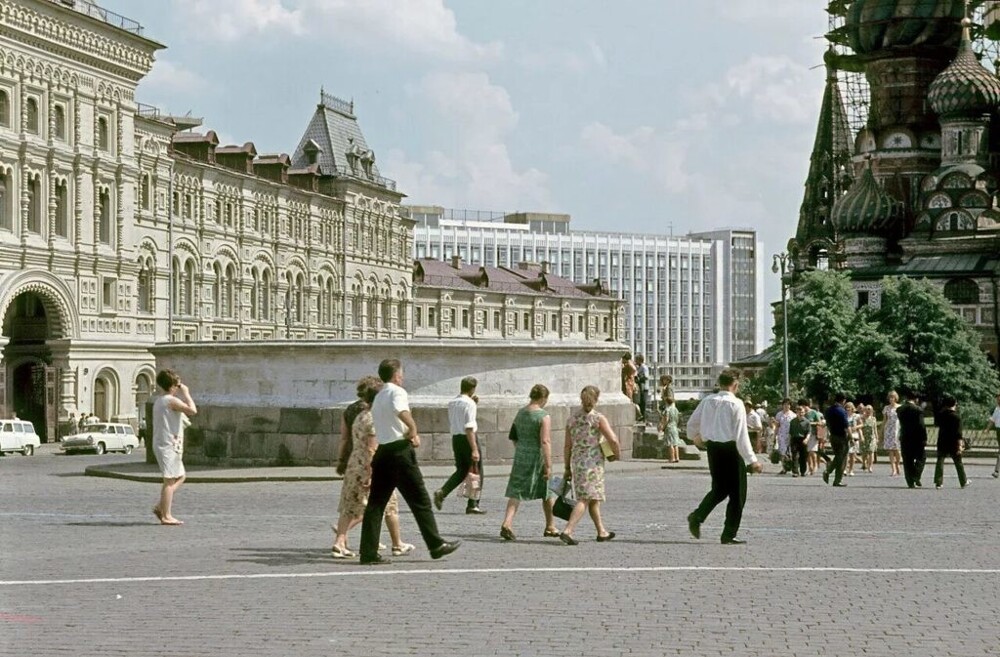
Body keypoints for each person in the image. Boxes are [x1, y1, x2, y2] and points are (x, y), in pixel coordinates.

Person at [358, 359, 460, 565]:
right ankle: (435, 545)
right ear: (396, 375)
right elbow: (401, 411)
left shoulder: (378, 397)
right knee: (420, 500)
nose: (402, 376)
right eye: (401, 373)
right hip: (400, 453)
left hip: (383, 452)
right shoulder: (397, 392)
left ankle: (368, 552)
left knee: (376, 504)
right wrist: (412, 429)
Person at [331, 376, 414, 559]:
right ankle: (397, 544)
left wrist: (341, 461)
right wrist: (371, 473)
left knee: (349, 505)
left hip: (354, 464)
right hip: (371, 467)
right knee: (389, 505)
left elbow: (346, 439)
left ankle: (340, 542)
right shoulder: (374, 418)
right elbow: (371, 448)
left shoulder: (359, 416)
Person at [686, 369, 763, 545]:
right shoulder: (736, 404)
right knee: (738, 494)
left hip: (713, 449)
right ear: (735, 384)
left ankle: (697, 516)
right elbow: (741, 436)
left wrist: (697, 438)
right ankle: (728, 533)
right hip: (731, 450)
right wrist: (753, 461)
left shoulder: (707, 401)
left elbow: (691, 425)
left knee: (720, 489)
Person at [557, 386, 621, 545]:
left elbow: (567, 446)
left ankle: (601, 531)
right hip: (593, 463)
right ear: (596, 399)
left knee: (593, 498)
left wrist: (567, 468)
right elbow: (612, 439)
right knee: (585, 498)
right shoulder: (598, 419)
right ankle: (568, 530)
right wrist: (617, 454)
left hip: (577, 461)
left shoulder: (572, 419)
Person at [500, 384, 557, 541]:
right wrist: (548, 465)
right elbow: (545, 441)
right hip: (537, 457)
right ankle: (550, 525)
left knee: (516, 490)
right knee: (547, 490)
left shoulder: (521, 413)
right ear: (543, 398)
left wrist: (521, 449)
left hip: (521, 455)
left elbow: (513, 436)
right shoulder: (543, 416)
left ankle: (507, 523)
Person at [151, 369, 197, 526]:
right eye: (177, 385)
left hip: (168, 443)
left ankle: (161, 506)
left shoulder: (161, 400)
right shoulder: (170, 400)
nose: (179, 387)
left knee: (181, 476)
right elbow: (192, 410)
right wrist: (187, 393)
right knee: (169, 481)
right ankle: (166, 515)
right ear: (172, 386)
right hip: (167, 445)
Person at [434, 376, 485, 514]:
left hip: (456, 439)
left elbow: (460, 418)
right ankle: (473, 504)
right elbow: (469, 427)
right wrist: (474, 449)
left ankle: (442, 492)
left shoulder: (453, 402)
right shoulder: (470, 403)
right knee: (477, 471)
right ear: (473, 389)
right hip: (469, 438)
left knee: (462, 470)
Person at [934, 394, 969, 489]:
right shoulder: (956, 417)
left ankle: (938, 482)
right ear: (954, 404)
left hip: (942, 440)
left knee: (940, 461)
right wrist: (960, 445)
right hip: (953, 442)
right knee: (958, 462)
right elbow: (958, 433)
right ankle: (963, 481)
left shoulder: (941, 415)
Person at [896, 390, 927, 489]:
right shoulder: (918, 410)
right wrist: (924, 438)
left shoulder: (900, 409)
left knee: (907, 459)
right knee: (921, 458)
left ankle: (909, 481)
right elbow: (921, 426)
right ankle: (916, 475)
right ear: (916, 399)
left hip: (905, 436)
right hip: (917, 438)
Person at [823, 393, 850, 487]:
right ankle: (829, 472)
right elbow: (846, 426)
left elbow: (827, 422)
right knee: (841, 458)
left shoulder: (828, 410)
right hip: (842, 436)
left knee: (839, 457)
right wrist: (851, 437)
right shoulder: (842, 411)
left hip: (833, 435)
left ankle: (837, 480)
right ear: (843, 400)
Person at [772, 399, 795, 475]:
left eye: (788, 404)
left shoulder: (793, 415)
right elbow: (777, 426)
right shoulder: (779, 414)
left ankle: (792, 466)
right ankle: (784, 467)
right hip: (781, 435)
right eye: (785, 404)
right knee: (782, 452)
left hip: (790, 434)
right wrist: (774, 436)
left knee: (790, 452)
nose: (786, 406)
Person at [882, 391, 902, 477]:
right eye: (890, 397)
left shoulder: (900, 407)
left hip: (897, 429)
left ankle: (897, 464)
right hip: (889, 430)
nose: (891, 399)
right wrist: (881, 431)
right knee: (890, 450)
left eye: (893, 397)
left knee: (897, 449)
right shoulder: (886, 408)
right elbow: (884, 420)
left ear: (896, 398)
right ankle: (893, 468)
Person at [788, 404, 810, 477]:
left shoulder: (807, 422)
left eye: (802, 412)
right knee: (795, 456)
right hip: (794, 439)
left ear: (804, 413)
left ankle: (803, 471)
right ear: (796, 412)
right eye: (799, 412)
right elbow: (790, 432)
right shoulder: (793, 421)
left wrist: (806, 439)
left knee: (803, 456)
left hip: (803, 439)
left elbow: (809, 432)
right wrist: (788, 441)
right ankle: (795, 472)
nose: (801, 414)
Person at [660, 396, 682, 463]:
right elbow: (678, 419)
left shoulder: (667, 410)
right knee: (676, 443)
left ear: (666, 402)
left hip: (669, 427)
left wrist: (663, 427)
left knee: (670, 444)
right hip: (675, 427)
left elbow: (666, 420)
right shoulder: (675, 409)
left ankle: (672, 458)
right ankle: (677, 457)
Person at [860, 404, 878, 473]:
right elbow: (860, 428)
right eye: (867, 409)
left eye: (870, 409)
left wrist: (877, 437)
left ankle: (870, 466)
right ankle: (864, 463)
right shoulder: (862, 418)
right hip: (864, 437)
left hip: (871, 437)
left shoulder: (873, 419)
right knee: (864, 452)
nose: (868, 411)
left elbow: (875, 428)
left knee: (871, 452)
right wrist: (861, 436)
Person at [988, 393, 1000, 479]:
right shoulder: (997, 409)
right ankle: (996, 471)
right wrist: (987, 429)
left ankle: (997, 471)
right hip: (998, 430)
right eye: (997, 399)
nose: (998, 400)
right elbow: (992, 420)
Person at [634, 355, 649, 421]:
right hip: (640, 387)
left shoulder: (643, 367)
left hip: (644, 387)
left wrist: (639, 378)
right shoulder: (639, 367)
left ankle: (644, 418)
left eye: (636, 360)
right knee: (640, 402)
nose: (635, 361)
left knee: (643, 402)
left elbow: (646, 377)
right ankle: (641, 416)